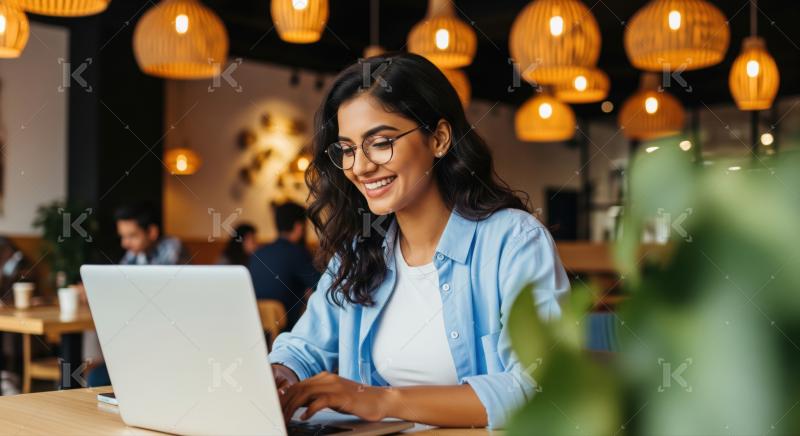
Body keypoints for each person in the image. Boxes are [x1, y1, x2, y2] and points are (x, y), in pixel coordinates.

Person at [269, 53, 569, 430]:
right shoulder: (358, 249)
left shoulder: (513, 242)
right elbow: (305, 348)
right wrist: (281, 374)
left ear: (439, 139)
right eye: (347, 149)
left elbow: (538, 387)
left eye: (380, 142)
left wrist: (379, 400)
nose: (360, 167)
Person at [86, 202, 188, 387]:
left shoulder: (172, 247)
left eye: (132, 236)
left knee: (101, 377)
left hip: (170, 344)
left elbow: (156, 291)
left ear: (152, 232)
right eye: (123, 237)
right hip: (140, 344)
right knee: (96, 377)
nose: (125, 243)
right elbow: (118, 283)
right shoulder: (135, 254)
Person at [249, 203, 319, 330]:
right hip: (287, 331)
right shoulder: (297, 253)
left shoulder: (258, 253)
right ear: (299, 227)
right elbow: (321, 286)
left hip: (257, 328)